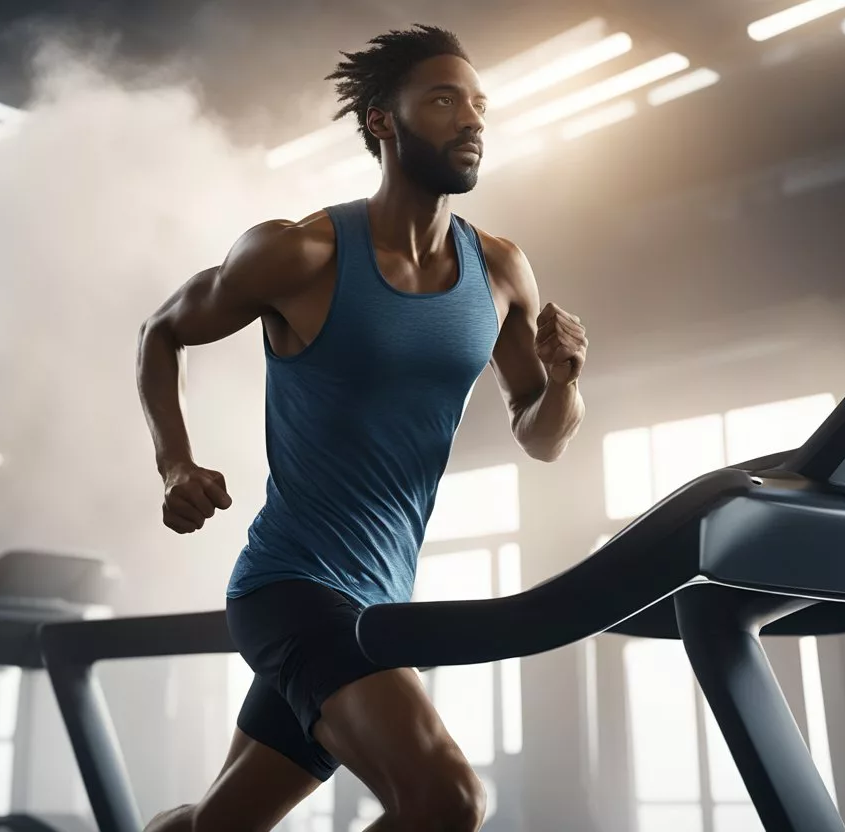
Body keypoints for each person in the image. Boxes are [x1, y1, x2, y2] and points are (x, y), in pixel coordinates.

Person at [136, 23, 588, 832]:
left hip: (379, 600)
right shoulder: (299, 252)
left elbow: (543, 434)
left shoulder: (503, 271)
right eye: (445, 100)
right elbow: (161, 331)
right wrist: (176, 463)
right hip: (291, 589)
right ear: (384, 120)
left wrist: (563, 380)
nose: (472, 119)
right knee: (447, 802)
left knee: (217, 826)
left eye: (479, 103)